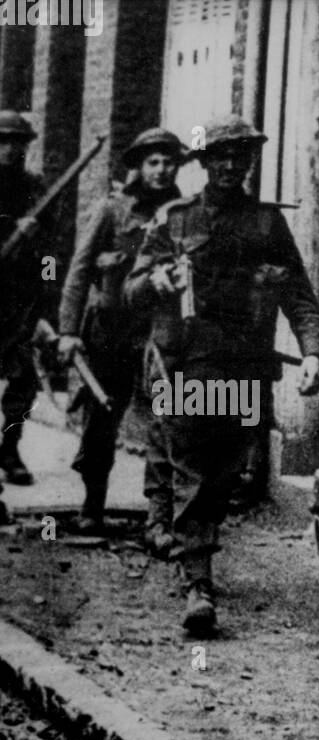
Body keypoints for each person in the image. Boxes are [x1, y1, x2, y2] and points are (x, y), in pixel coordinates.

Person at [125, 114, 319, 635]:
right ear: (205, 163)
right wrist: (158, 280)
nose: (232, 165)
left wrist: (313, 353)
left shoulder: (267, 224)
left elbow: (298, 294)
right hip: (189, 365)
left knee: (226, 473)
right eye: (221, 157)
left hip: (247, 371)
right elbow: (131, 291)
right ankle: (199, 585)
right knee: (192, 465)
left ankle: (195, 552)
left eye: (241, 156)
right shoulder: (175, 221)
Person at [57, 128, 188, 537]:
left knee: (164, 420)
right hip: (111, 331)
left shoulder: (184, 212)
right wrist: (68, 331)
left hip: (160, 331)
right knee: (103, 418)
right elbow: (79, 272)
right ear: (138, 166)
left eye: (169, 162)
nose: (162, 170)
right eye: (153, 162)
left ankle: (158, 518)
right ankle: (92, 504)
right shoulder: (113, 210)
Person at [0, 110, 45, 503]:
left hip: (18, 300)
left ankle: (10, 447)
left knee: (23, 379)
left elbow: (50, 248)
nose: (10, 149)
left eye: (17, 142)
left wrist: (32, 239)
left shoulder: (35, 188)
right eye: (3, 141)